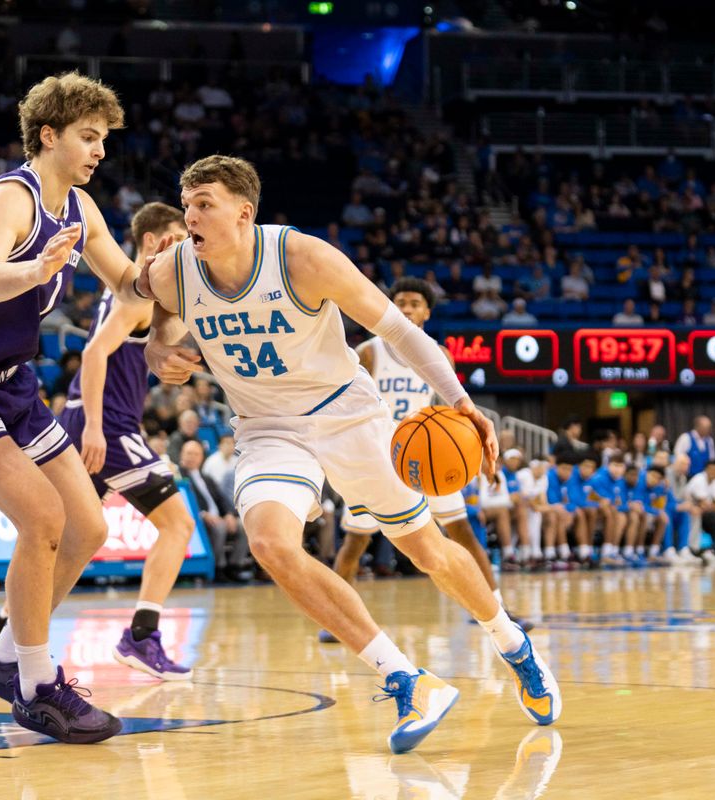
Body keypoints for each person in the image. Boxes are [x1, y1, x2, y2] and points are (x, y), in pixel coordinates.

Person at [142, 154, 560, 752]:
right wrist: (159, 345)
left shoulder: (303, 259)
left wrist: (463, 402)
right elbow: (150, 305)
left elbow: (402, 333)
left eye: (204, 204)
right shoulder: (174, 270)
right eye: (186, 205)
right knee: (269, 544)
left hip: (347, 415)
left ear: (244, 213)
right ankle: (405, 677)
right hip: (267, 427)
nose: (191, 216)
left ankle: (511, 642)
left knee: (430, 554)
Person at [0, 73, 155, 744]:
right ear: (49, 135)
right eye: (88, 136)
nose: (100, 150)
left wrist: (193, 275)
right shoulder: (11, 200)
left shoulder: (81, 207)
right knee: (41, 517)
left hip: (11, 387)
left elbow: (129, 283)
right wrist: (34, 271)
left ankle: (5, 654)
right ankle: (38, 689)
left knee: (87, 528)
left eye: (104, 138)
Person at [325, 278, 531, 641]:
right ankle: (338, 620)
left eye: (414, 303)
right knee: (356, 541)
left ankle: (497, 607)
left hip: (428, 458)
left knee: (463, 533)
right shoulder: (371, 351)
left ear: (427, 312)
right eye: (400, 301)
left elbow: (453, 409)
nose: (406, 308)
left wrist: (476, 454)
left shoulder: (439, 353)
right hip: (380, 456)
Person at [53, 201, 197, 678]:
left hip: (91, 421)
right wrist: (95, 426)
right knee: (178, 525)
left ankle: (2, 635)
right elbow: (92, 356)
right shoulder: (138, 292)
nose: (187, 248)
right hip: (108, 427)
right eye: (179, 238)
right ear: (155, 242)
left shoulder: (134, 290)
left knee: (65, 541)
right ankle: (141, 635)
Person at [179, 438, 249, 581]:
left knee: (244, 525)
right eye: (189, 453)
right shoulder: (178, 476)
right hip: (199, 519)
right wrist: (203, 514)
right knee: (219, 526)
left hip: (218, 516)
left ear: (201, 457)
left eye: (196, 454)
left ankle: (235, 565)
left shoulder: (206, 478)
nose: (192, 457)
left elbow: (221, 499)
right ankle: (218, 567)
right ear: (182, 455)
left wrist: (229, 514)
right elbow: (183, 501)